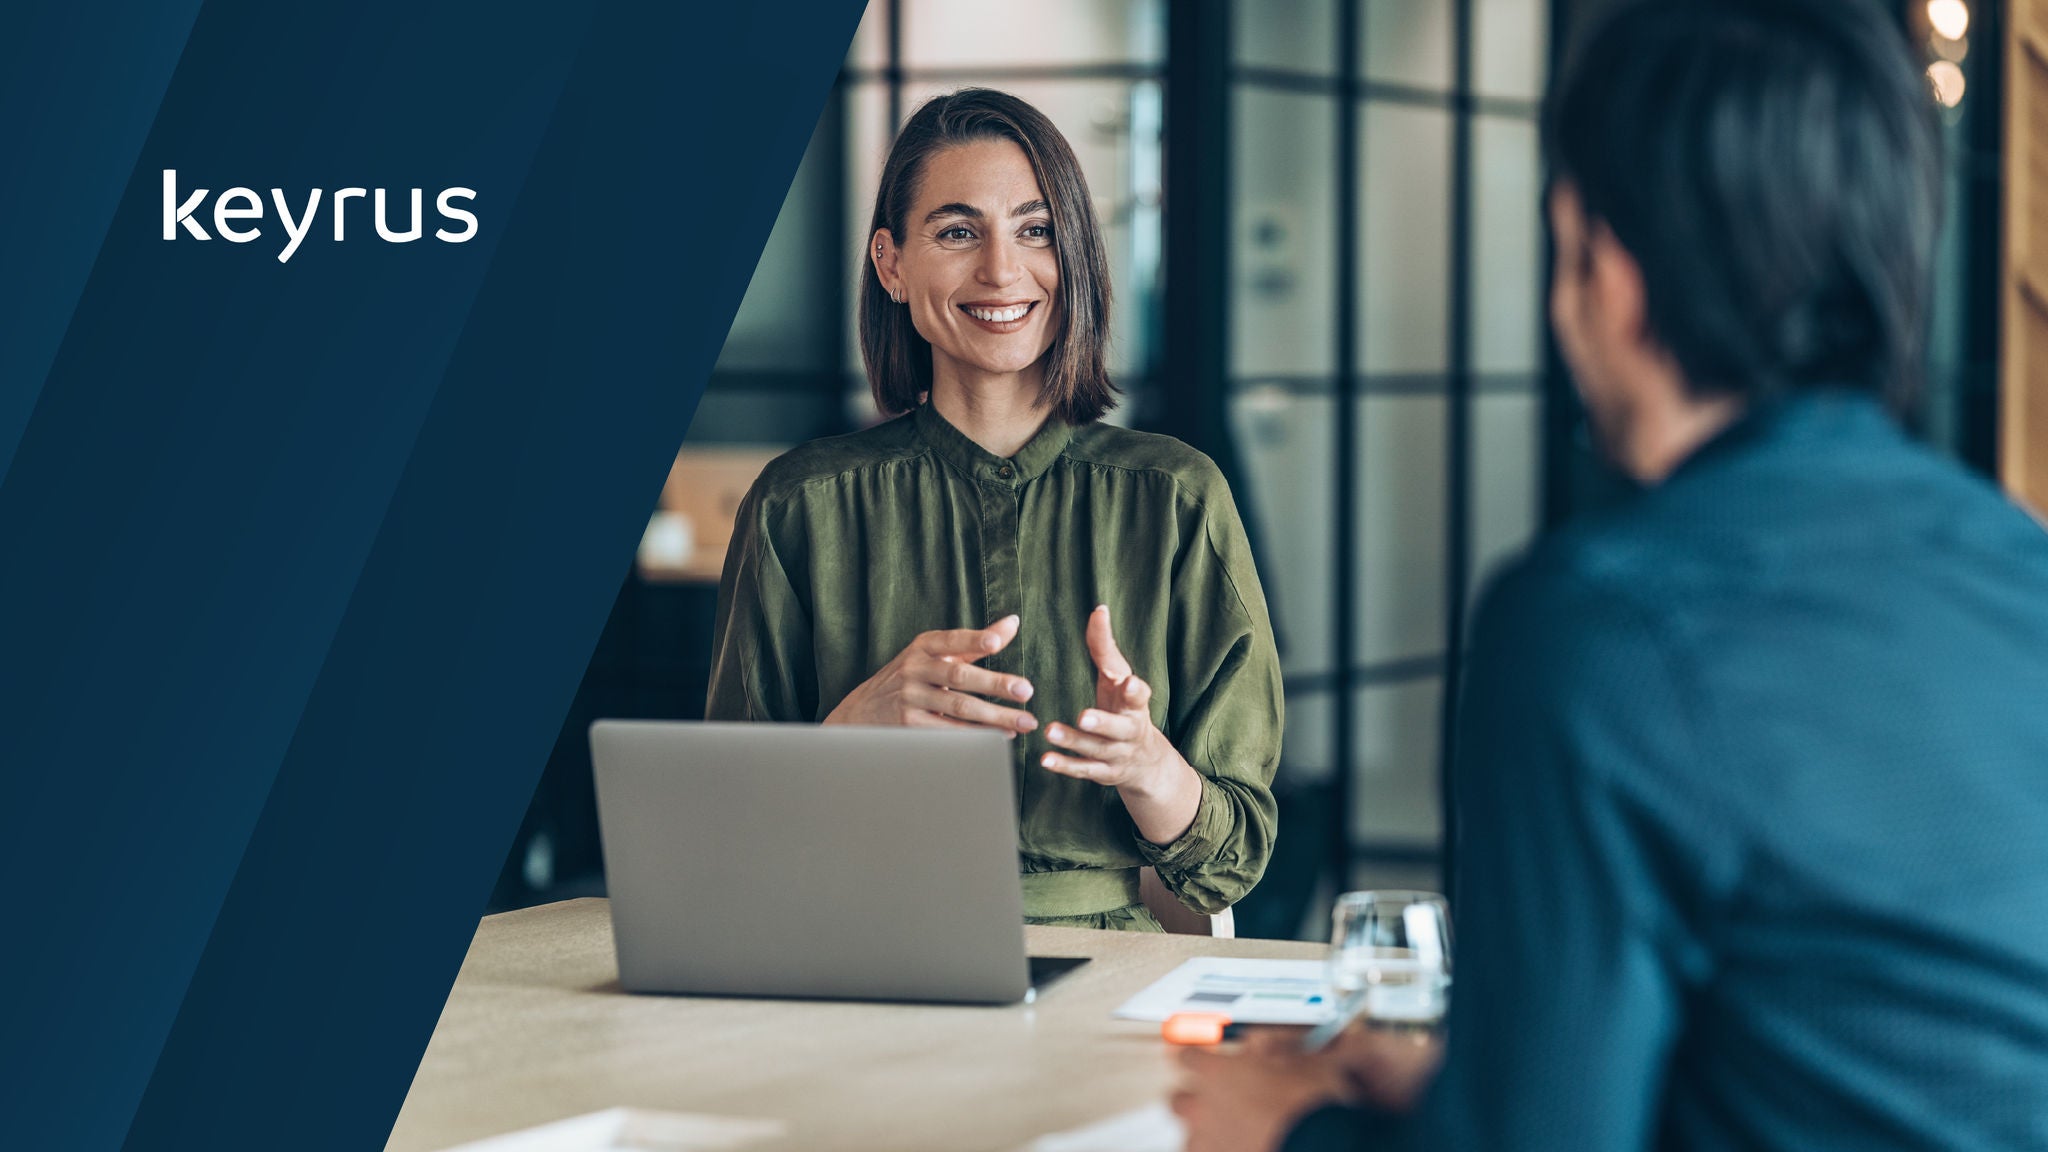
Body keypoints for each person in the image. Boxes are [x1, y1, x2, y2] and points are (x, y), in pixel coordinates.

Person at [1175, 0, 2048, 1146]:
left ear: (1613, 272)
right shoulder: (2014, 562)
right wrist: (1442, 1092)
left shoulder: (1600, 627)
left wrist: (1277, 1130)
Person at [706, 89, 1283, 931]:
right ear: (891, 264)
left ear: (1074, 253)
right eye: (957, 231)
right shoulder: (798, 506)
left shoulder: (1178, 498)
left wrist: (1146, 766)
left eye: (1035, 229)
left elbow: (1235, 858)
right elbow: (723, 839)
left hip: (1106, 984)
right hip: (851, 965)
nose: (1002, 270)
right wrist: (847, 733)